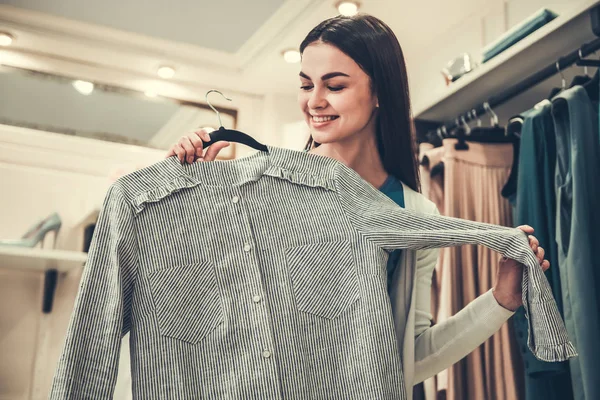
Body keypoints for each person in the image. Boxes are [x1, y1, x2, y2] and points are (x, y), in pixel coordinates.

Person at [165, 13, 549, 398]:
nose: (314, 101)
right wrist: (188, 199)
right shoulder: (261, 187)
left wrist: (500, 301)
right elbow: (199, 309)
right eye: (305, 85)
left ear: (379, 91)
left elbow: (409, 358)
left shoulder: (413, 213)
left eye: (334, 85)